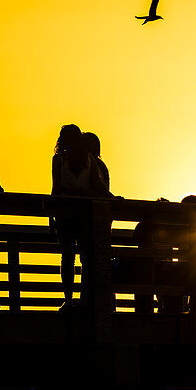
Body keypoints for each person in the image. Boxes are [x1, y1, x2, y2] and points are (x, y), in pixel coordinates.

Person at [51, 124, 109, 310]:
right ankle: (71, 299)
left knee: (77, 257)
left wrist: (111, 197)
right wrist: (51, 215)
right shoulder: (60, 160)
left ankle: (79, 299)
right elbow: (56, 189)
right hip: (69, 215)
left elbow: (99, 187)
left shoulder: (88, 160)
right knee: (71, 257)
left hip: (79, 215)